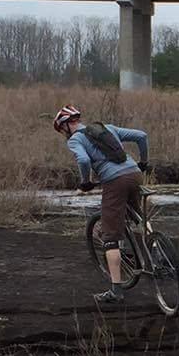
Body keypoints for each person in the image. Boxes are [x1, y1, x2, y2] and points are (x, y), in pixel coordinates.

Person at [53, 105, 149, 304]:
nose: (63, 134)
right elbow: (141, 135)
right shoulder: (107, 128)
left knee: (110, 236)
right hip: (135, 174)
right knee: (138, 215)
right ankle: (154, 253)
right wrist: (143, 163)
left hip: (115, 181)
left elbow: (83, 159)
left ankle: (116, 290)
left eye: (62, 130)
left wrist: (85, 182)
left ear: (66, 126)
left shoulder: (75, 139)